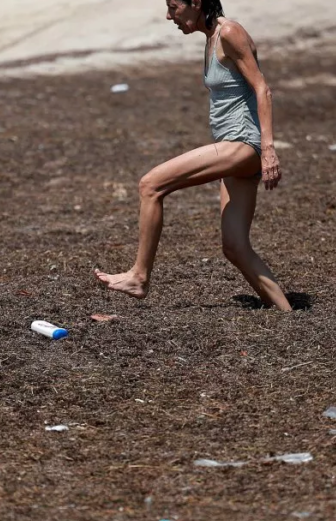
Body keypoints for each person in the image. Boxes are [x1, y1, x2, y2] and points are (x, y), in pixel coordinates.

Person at [94, 0, 292, 311]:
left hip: (243, 145)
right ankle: (287, 315)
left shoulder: (230, 32)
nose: (169, 15)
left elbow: (262, 88)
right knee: (235, 247)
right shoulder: (212, 37)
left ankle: (139, 277)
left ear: (196, 3)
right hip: (234, 148)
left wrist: (268, 150)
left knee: (151, 185)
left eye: (174, 6)